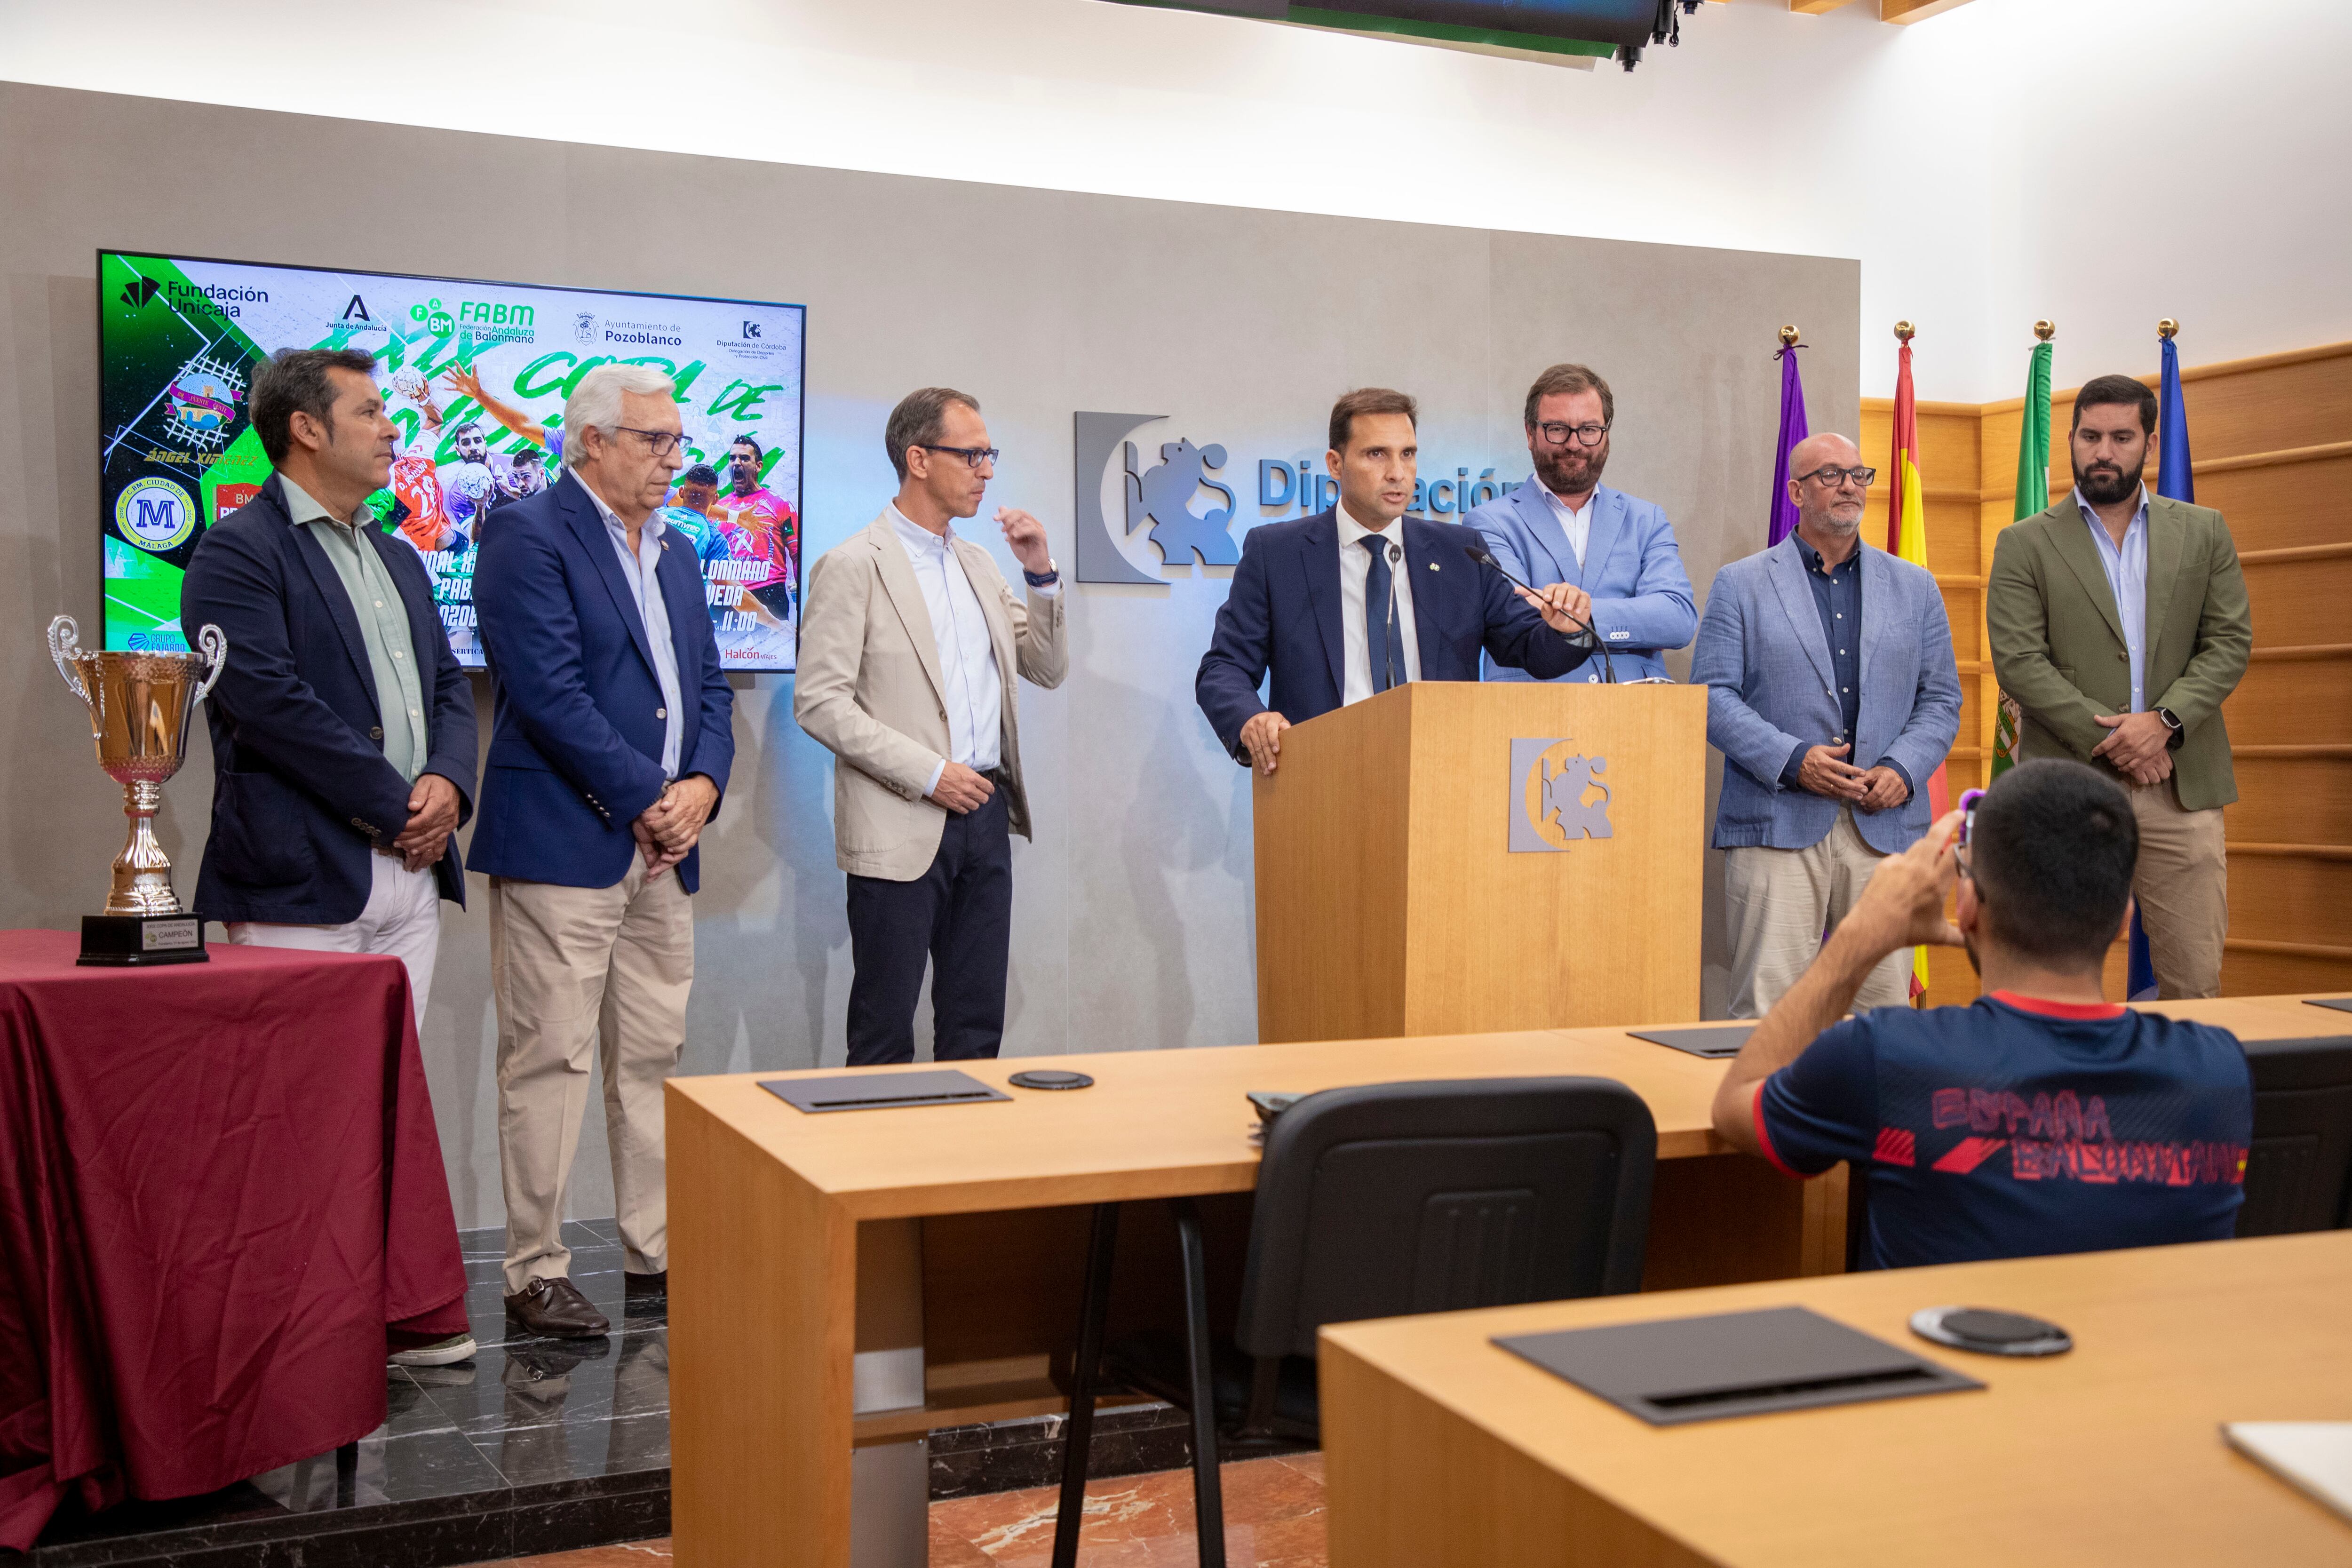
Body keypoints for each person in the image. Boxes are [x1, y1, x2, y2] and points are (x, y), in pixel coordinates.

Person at [180, 346, 479, 1369]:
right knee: (298, 1110)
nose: (393, 428)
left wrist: (446, 782)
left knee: (387, 1101)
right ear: (305, 428)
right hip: (302, 873)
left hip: (411, 870)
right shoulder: (237, 549)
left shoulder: (396, 554)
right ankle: (296, 1324)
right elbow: (264, 702)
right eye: (369, 411)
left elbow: (447, 686)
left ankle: (383, 1308)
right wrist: (394, 802)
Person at [1709, 761, 2252, 1270]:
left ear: (1966, 906)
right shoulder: (2217, 1072)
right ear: (2122, 919)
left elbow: (1736, 1105)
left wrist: (1859, 938)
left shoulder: (1889, 1056)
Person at [469, 363, 736, 1337]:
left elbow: (709, 688)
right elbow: (545, 691)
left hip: (666, 848)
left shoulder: (674, 551)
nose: (676, 456)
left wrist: (701, 788)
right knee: (549, 1057)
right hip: (564, 841)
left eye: (676, 440)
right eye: (655, 440)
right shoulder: (526, 533)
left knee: (655, 1055)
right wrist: (646, 799)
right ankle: (533, 1269)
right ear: (592, 443)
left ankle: (654, 1248)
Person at [794, 387, 1066, 1066]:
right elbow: (819, 702)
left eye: (989, 454)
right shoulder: (854, 564)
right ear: (918, 458)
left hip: (986, 814)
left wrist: (1040, 572)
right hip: (901, 817)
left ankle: (962, 1169)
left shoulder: (977, 563)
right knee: (885, 1031)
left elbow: (1047, 666)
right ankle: (881, 1173)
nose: (987, 470)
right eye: (972, 454)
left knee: (976, 1028)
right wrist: (928, 773)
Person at [1986, 374, 2251, 1000]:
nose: (2103, 451)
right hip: (2068, 787)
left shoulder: (2205, 531)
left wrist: (2162, 723)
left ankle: (2182, 1100)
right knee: (2050, 981)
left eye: (2122, 437)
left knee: (2195, 984)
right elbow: (2020, 662)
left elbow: (2229, 643)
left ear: (2151, 444)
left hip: (2179, 786)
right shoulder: (2025, 542)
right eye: (2090, 436)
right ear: (2072, 441)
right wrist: (2119, 740)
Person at [1691, 431, 1962, 1018]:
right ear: (1795, 492)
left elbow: (1940, 699)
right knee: (1766, 1013)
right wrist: (1793, 761)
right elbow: (1711, 696)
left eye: (1858, 475)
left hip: (1883, 825)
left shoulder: (1914, 587)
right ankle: (1755, 1114)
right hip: (1776, 821)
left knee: (1880, 1014)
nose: (1848, 486)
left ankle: (1865, 1116)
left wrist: (1902, 768)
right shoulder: (1740, 584)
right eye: (1830, 475)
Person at [1195, 388, 1597, 774]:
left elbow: (1532, 649)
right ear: (1335, 464)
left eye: (1408, 454)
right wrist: (1251, 719)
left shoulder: (1461, 552)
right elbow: (1224, 667)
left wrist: (1568, 629)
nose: (1397, 473)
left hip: (1440, 777)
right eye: (1376, 454)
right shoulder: (1277, 553)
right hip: (1320, 780)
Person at [1464, 363, 1695, 683]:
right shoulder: (1489, 522)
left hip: (1639, 716)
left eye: (1588, 429)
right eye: (1558, 428)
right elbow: (1520, 619)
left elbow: (1677, 618)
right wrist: (1634, 616)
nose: (1574, 444)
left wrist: (1582, 615)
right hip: (1532, 715)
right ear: (1530, 433)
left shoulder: (1646, 520)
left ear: (1606, 434)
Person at [708, 435, 799, 629]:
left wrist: (802, 587)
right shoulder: (719, 509)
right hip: (728, 595)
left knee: (775, 656)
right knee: (720, 657)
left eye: (744, 458)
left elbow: (798, 553)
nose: (736, 463)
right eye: (732, 459)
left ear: (758, 466)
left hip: (769, 592)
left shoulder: (780, 505)